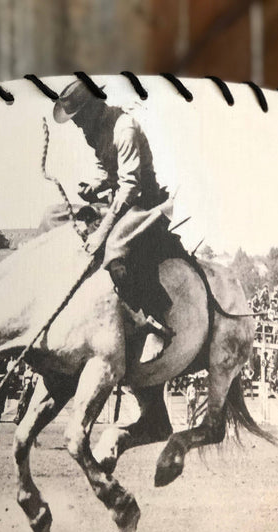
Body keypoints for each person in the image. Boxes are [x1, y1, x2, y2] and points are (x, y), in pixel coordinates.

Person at [53, 78, 174, 363]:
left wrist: (101, 232)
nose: (77, 125)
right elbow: (108, 171)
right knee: (55, 215)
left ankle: (156, 321)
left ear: (93, 107)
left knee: (115, 244)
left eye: (78, 117)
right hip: (119, 200)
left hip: (146, 204)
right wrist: (94, 187)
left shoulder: (124, 128)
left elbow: (130, 186)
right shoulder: (93, 131)